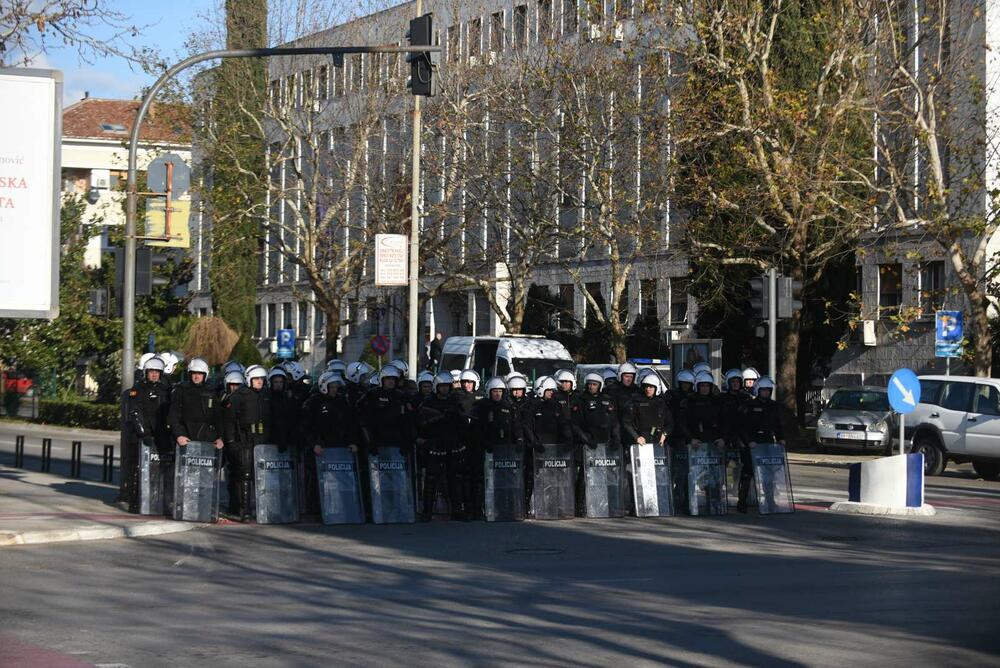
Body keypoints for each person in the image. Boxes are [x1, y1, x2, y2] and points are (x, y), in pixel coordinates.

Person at [119, 355, 172, 513]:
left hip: (161, 435)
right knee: (137, 469)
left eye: (157, 372)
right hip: (142, 436)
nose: (154, 374)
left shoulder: (166, 390)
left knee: (163, 470)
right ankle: (135, 501)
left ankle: (161, 501)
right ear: (146, 372)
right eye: (151, 372)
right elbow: (135, 412)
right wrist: (144, 433)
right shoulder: (138, 389)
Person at [302, 371, 359, 516]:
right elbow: (306, 426)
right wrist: (314, 444)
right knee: (318, 480)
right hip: (321, 448)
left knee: (340, 479)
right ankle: (315, 510)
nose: (334, 390)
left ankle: (342, 508)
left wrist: (352, 442)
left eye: (336, 387)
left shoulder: (342, 402)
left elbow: (350, 425)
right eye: (331, 387)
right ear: (324, 386)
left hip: (339, 448)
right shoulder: (313, 402)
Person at [415, 372, 469, 521]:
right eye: (442, 386)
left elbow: (463, 424)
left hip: (452, 444)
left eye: (447, 386)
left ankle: (457, 511)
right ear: (436, 387)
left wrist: (457, 417)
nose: (444, 389)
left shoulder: (454, 402)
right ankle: (427, 512)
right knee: (431, 479)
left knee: (455, 479)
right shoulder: (428, 402)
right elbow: (421, 422)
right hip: (435, 444)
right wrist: (439, 417)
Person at [222, 364, 272, 522]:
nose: (259, 382)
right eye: (256, 379)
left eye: (262, 379)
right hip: (244, 441)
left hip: (263, 441)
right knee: (245, 475)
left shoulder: (266, 395)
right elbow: (229, 421)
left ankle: (267, 509)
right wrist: (231, 441)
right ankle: (244, 510)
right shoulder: (239, 396)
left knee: (265, 476)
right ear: (249, 379)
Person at [472, 377, 525, 518]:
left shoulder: (509, 407)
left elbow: (517, 426)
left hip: (505, 449)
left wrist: (519, 440)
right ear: (489, 392)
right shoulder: (481, 407)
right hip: (488, 450)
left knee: (506, 479)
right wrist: (484, 443)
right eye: (494, 391)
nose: (497, 394)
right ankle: (481, 509)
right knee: (485, 480)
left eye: (500, 391)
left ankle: (507, 508)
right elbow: (476, 429)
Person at [736, 376, 784, 512]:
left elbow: (777, 425)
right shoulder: (749, 405)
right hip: (752, 444)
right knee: (748, 473)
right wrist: (748, 441)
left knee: (769, 473)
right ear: (758, 390)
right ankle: (742, 502)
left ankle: (770, 501)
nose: (766, 393)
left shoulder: (773, 406)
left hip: (767, 443)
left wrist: (781, 438)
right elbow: (741, 426)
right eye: (763, 390)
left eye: (768, 390)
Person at [167, 357, 224, 451]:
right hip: (186, 437)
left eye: (200, 374)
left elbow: (218, 417)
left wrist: (220, 437)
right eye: (194, 373)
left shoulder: (211, 392)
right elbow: (173, 416)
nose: (196, 377)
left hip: (207, 438)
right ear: (189, 374)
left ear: (205, 375)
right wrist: (179, 435)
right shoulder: (181, 390)